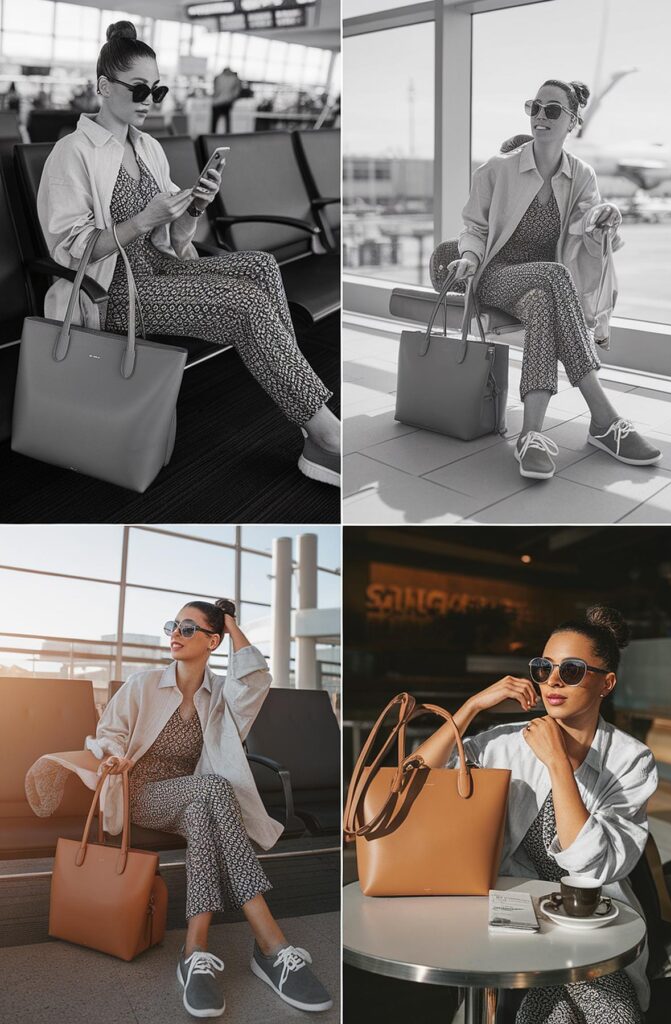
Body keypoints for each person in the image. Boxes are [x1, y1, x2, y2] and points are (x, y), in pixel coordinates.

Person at [36, 22, 340, 487]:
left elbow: (174, 237)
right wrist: (140, 220)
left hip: (157, 269)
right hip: (110, 291)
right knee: (243, 305)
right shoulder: (71, 153)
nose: (148, 100)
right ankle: (324, 432)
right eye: (139, 88)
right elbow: (70, 250)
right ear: (103, 86)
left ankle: (303, 406)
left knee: (259, 265)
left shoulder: (148, 147)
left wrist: (194, 204)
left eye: (156, 89)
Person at [30, 598, 334, 1019]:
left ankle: (195, 952)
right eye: (173, 625)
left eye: (189, 628)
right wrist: (114, 756)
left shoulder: (221, 698)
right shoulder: (144, 684)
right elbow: (110, 731)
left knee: (203, 812)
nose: (175, 633)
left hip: (191, 798)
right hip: (137, 792)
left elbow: (257, 678)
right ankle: (271, 944)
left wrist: (231, 623)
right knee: (212, 788)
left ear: (213, 641)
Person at [412, 604, 656, 1023]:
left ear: (606, 683)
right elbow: (412, 781)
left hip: (592, 924)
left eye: (573, 670)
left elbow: (592, 866)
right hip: (512, 917)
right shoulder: (506, 743)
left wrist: (558, 764)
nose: (553, 681)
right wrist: (471, 707)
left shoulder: (632, 761)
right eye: (544, 668)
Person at [439, 79, 661, 480]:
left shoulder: (581, 175)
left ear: (572, 120)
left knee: (545, 299)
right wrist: (470, 258)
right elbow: (472, 226)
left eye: (552, 110)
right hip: (496, 275)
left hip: (543, 287)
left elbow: (588, 228)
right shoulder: (496, 169)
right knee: (555, 277)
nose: (540, 116)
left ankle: (531, 435)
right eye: (535, 107)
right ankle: (604, 418)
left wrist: (603, 220)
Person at [212, 65, 241, 134]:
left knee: (214, 122)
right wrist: (231, 98)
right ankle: (227, 135)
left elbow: (216, 91)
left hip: (217, 103)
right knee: (227, 120)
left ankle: (212, 135)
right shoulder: (235, 79)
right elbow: (236, 93)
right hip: (227, 102)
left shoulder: (218, 78)